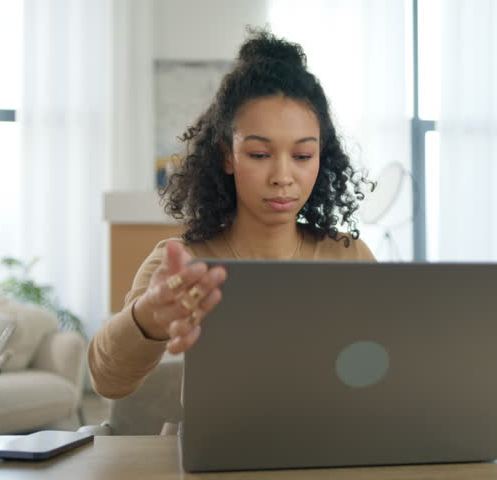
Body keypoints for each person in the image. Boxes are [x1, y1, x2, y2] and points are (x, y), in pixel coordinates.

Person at [88, 29, 376, 401]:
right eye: (259, 154)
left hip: (337, 448)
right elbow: (107, 383)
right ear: (227, 155)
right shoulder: (183, 263)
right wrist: (149, 319)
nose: (283, 177)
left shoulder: (350, 257)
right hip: (218, 456)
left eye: (303, 156)